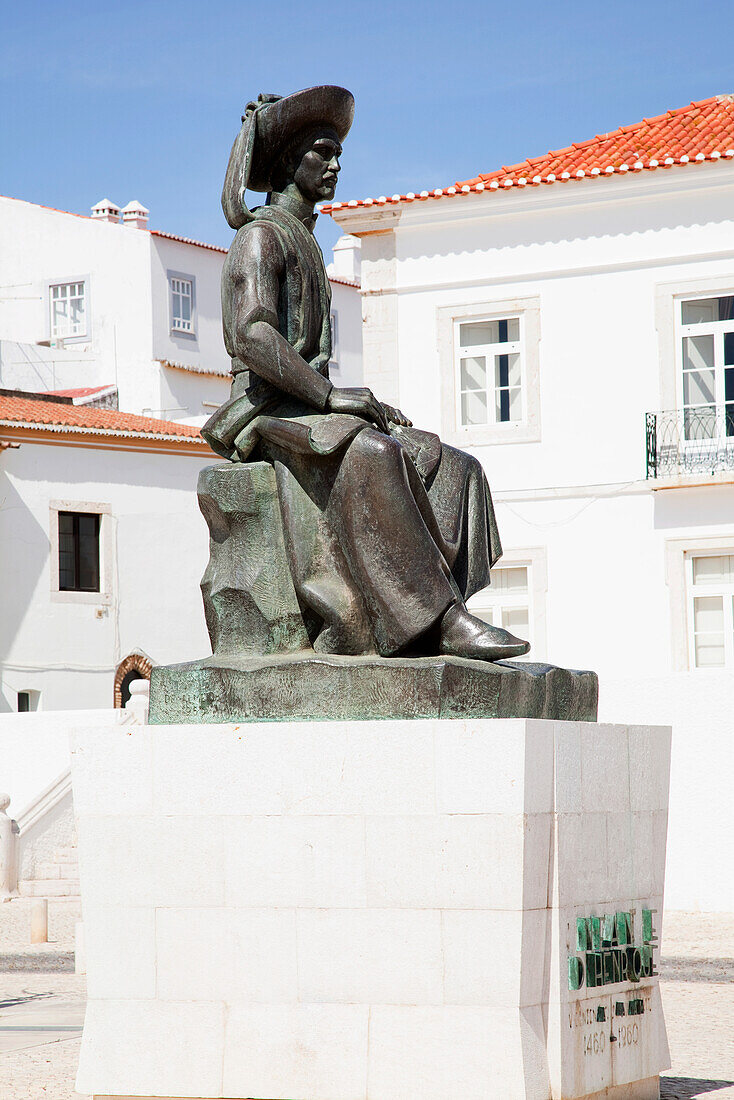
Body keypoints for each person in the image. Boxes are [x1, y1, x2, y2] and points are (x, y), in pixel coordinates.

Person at [202, 86, 529, 662]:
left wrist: (338, 401)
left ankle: (424, 614)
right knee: (373, 452)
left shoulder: (306, 241)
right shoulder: (260, 237)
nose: (334, 166)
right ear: (285, 164)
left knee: (450, 463)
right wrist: (331, 397)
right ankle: (443, 621)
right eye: (320, 154)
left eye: (337, 156)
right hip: (266, 412)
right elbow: (251, 336)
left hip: (306, 406)